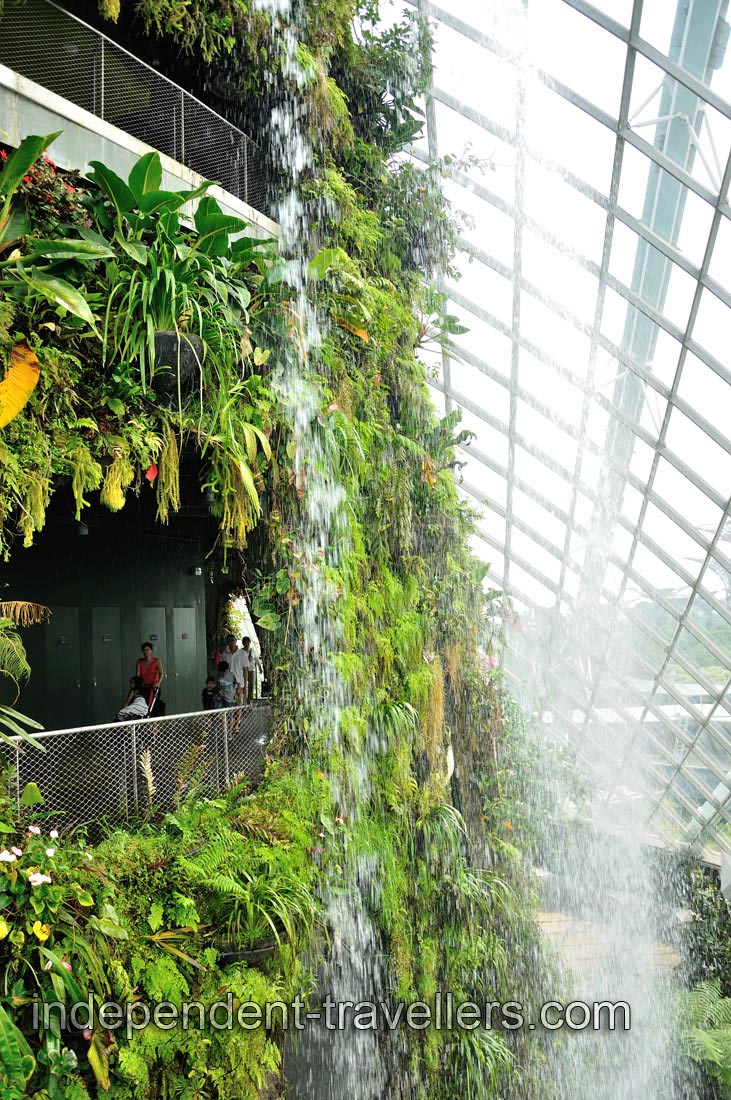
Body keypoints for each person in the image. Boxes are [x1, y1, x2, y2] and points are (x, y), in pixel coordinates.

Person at [129, 642, 164, 712]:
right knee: (142, 705)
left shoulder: (156, 661)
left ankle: (154, 722)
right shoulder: (139, 662)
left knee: (153, 707)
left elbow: (161, 673)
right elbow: (138, 676)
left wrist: (158, 682)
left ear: (151, 650)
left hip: (154, 687)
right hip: (143, 688)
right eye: (144, 650)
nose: (146, 652)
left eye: (148, 650)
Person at [232, 636, 262, 704]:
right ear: (243, 643)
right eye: (245, 643)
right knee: (243, 685)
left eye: (248, 642)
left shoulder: (253, 651)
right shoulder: (241, 652)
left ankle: (250, 700)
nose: (246, 644)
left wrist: (260, 668)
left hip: (251, 670)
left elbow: (257, 659)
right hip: (243, 671)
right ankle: (244, 700)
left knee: (251, 685)